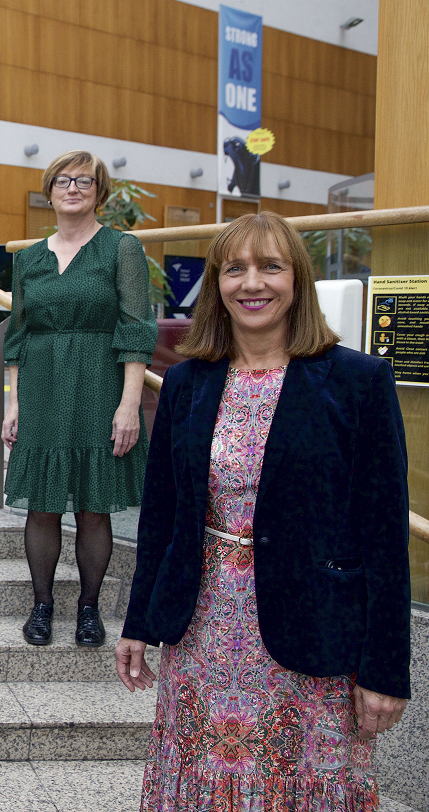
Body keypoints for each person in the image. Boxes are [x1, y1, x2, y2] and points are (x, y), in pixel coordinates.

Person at [116, 211, 410, 810]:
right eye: (236, 269)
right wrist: (140, 620)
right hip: (204, 631)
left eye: (271, 267)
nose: (253, 283)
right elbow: (163, 518)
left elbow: (384, 536)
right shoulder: (186, 384)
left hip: (313, 633)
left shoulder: (358, 382)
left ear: (296, 280)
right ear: (217, 285)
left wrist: (386, 667)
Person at [1, 150, 158, 648]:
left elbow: (136, 327)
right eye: (63, 180)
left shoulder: (121, 249)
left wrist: (130, 402)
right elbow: (19, 336)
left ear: (99, 191)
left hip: (99, 384)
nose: (73, 187)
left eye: (84, 181)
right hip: (42, 386)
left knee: (94, 507)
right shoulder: (27, 258)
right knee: (41, 508)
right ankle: (42, 605)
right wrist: (13, 404)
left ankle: (89, 609)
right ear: (49, 190)